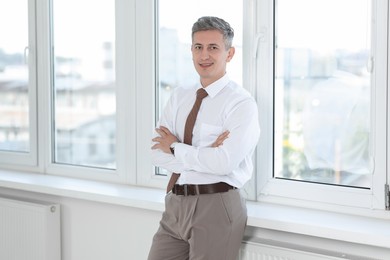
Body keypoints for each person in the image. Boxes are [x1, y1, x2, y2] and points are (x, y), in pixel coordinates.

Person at [148, 16, 260, 260]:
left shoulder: (241, 103)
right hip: (176, 204)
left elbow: (224, 164)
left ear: (229, 54)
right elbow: (156, 152)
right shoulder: (179, 96)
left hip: (216, 205)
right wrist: (206, 153)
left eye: (213, 48)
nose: (204, 55)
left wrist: (176, 147)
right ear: (191, 51)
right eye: (198, 47)